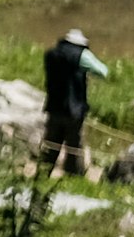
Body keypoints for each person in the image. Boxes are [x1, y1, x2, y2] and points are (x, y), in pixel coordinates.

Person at [42, 26, 109, 175]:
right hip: (74, 109)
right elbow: (103, 71)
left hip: (54, 107)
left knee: (52, 144)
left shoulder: (51, 54)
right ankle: (73, 176)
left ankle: (43, 173)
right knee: (74, 146)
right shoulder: (82, 56)